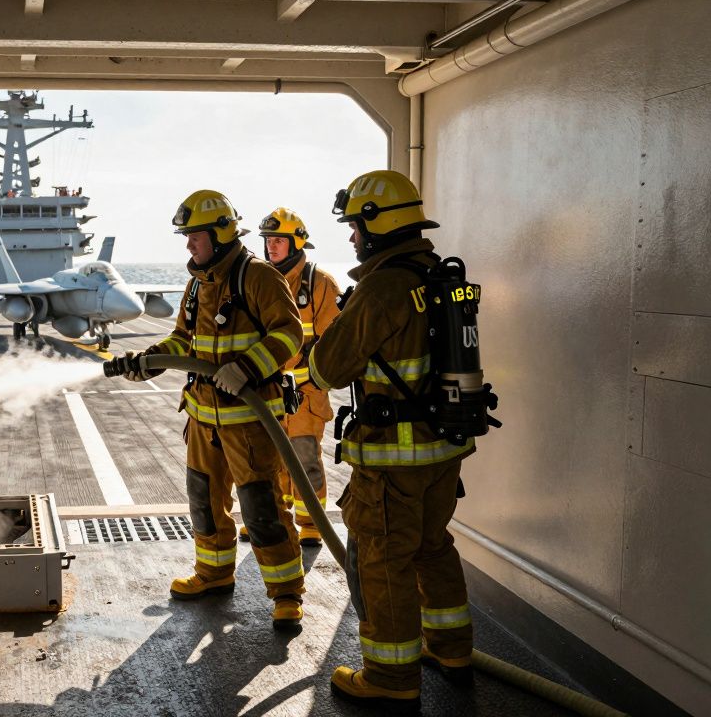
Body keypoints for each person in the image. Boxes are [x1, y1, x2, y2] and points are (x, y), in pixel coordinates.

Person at [309, 170, 475, 712]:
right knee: (432, 547)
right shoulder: (435, 274)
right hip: (444, 447)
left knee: (384, 560)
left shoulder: (384, 286)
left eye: (355, 227)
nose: (352, 237)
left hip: (394, 457)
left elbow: (329, 368)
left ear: (376, 225)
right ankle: (452, 649)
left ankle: (389, 677)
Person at [119, 189, 307, 631]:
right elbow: (183, 341)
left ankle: (286, 593)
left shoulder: (258, 277)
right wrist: (148, 361)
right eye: (186, 236)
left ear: (221, 234)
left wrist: (246, 367)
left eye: (195, 236)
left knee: (263, 510)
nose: (188, 245)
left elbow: (289, 333)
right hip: (203, 420)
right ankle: (214, 572)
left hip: (251, 424)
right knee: (204, 502)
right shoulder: (197, 285)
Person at [237, 208, 342, 549]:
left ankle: (311, 523)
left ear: (297, 243)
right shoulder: (258, 281)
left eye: (279, 240)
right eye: (268, 240)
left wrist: (316, 381)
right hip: (268, 391)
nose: (271, 247)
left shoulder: (321, 284)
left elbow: (334, 343)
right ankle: (272, 519)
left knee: (304, 458)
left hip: (306, 394)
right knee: (267, 460)